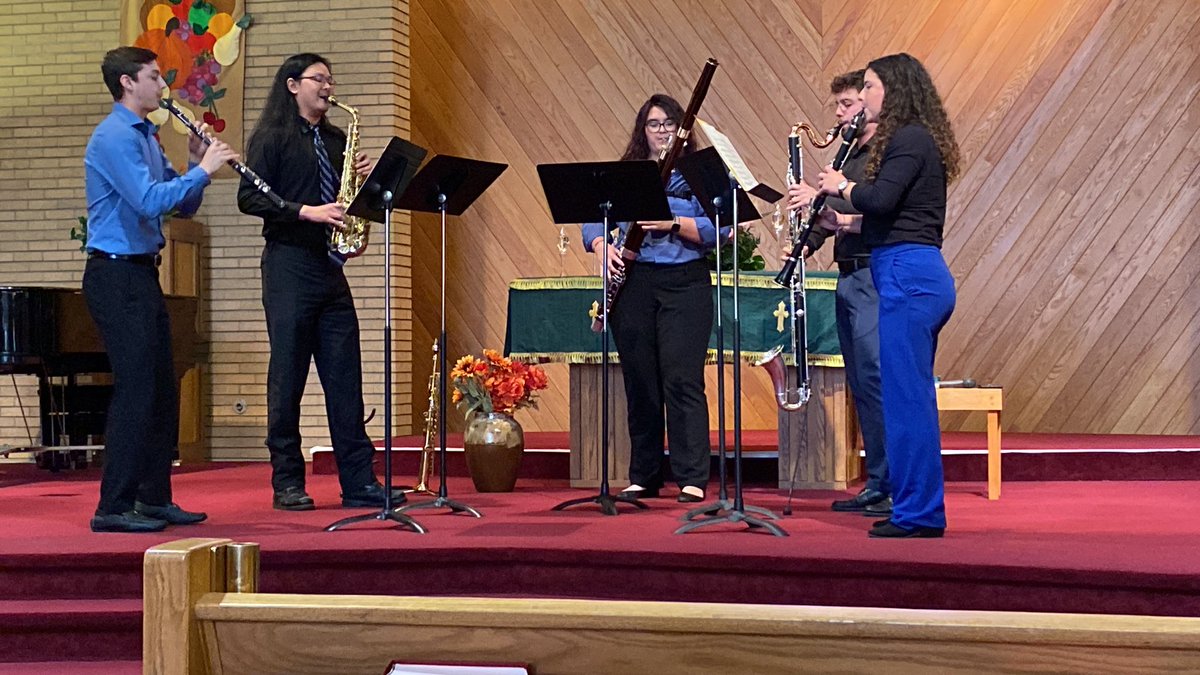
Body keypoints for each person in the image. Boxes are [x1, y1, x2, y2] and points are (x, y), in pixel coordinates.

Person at [238, 53, 403, 511]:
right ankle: (287, 482)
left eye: (331, 79)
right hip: (288, 264)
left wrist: (366, 192)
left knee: (345, 377)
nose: (329, 87)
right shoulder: (271, 138)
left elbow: (345, 202)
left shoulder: (336, 138)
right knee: (287, 378)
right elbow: (248, 198)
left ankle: (358, 480)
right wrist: (304, 210)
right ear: (293, 85)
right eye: (319, 80)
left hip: (330, 268)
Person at [83, 46, 236, 532]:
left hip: (142, 272)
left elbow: (180, 207)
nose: (160, 86)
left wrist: (195, 169)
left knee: (161, 388)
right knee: (136, 389)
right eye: (153, 77)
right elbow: (149, 202)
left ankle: (152, 498)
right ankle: (112, 506)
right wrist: (204, 169)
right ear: (128, 83)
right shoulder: (113, 137)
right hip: (114, 273)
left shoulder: (147, 137)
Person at [816, 53, 960, 538]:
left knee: (907, 400)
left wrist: (841, 185)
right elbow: (890, 216)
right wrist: (842, 221)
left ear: (894, 91)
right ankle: (913, 507)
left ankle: (919, 514)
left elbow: (879, 200)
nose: (866, 96)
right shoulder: (914, 139)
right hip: (905, 268)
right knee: (903, 398)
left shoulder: (909, 137)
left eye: (872, 87)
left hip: (909, 274)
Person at [581, 94, 722, 504]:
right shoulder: (629, 173)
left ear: (682, 129)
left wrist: (673, 222)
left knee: (682, 380)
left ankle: (692, 476)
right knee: (640, 381)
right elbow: (595, 217)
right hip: (636, 282)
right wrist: (598, 245)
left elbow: (721, 230)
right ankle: (643, 474)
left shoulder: (700, 173)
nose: (660, 131)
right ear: (642, 131)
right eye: (652, 124)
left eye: (668, 123)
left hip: (685, 282)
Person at [787, 71, 890, 517]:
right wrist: (806, 237)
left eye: (846, 103)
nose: (839, 113)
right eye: (837, 106)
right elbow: (835, 222)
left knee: (877, 382)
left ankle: (893, 485)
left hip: (875, 275)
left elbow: (890, 218)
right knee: (862, 385)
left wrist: (835, 213)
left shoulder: (887, 157)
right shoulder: (849, 159)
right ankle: (878, 482)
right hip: (847, 277)